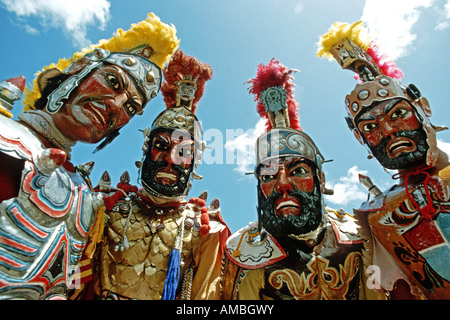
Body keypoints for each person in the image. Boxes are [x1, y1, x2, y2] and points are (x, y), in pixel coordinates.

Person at [0, 12, 179, 300]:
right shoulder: (5, 138)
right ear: (80, 68)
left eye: (131, 108)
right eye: (113, 82)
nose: (116, 106)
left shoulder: (83, 193)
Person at [220, 59, 384, 300]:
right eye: (268, 176)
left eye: (297, 171)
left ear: (321, 179)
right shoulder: (243, 251)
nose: (283, 184)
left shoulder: (359, 234)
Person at [81, 49, 230, 300]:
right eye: (161, 146)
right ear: (145, 150)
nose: (170, 160)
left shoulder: (206, 230)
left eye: (183, 152)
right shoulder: (106, 207)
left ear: (195, 164)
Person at [317, 21, 450, 299]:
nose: (388, 131)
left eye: (397, 114)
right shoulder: (379, 216)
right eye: (369, 127)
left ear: (423, 108)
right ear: (360, 139)